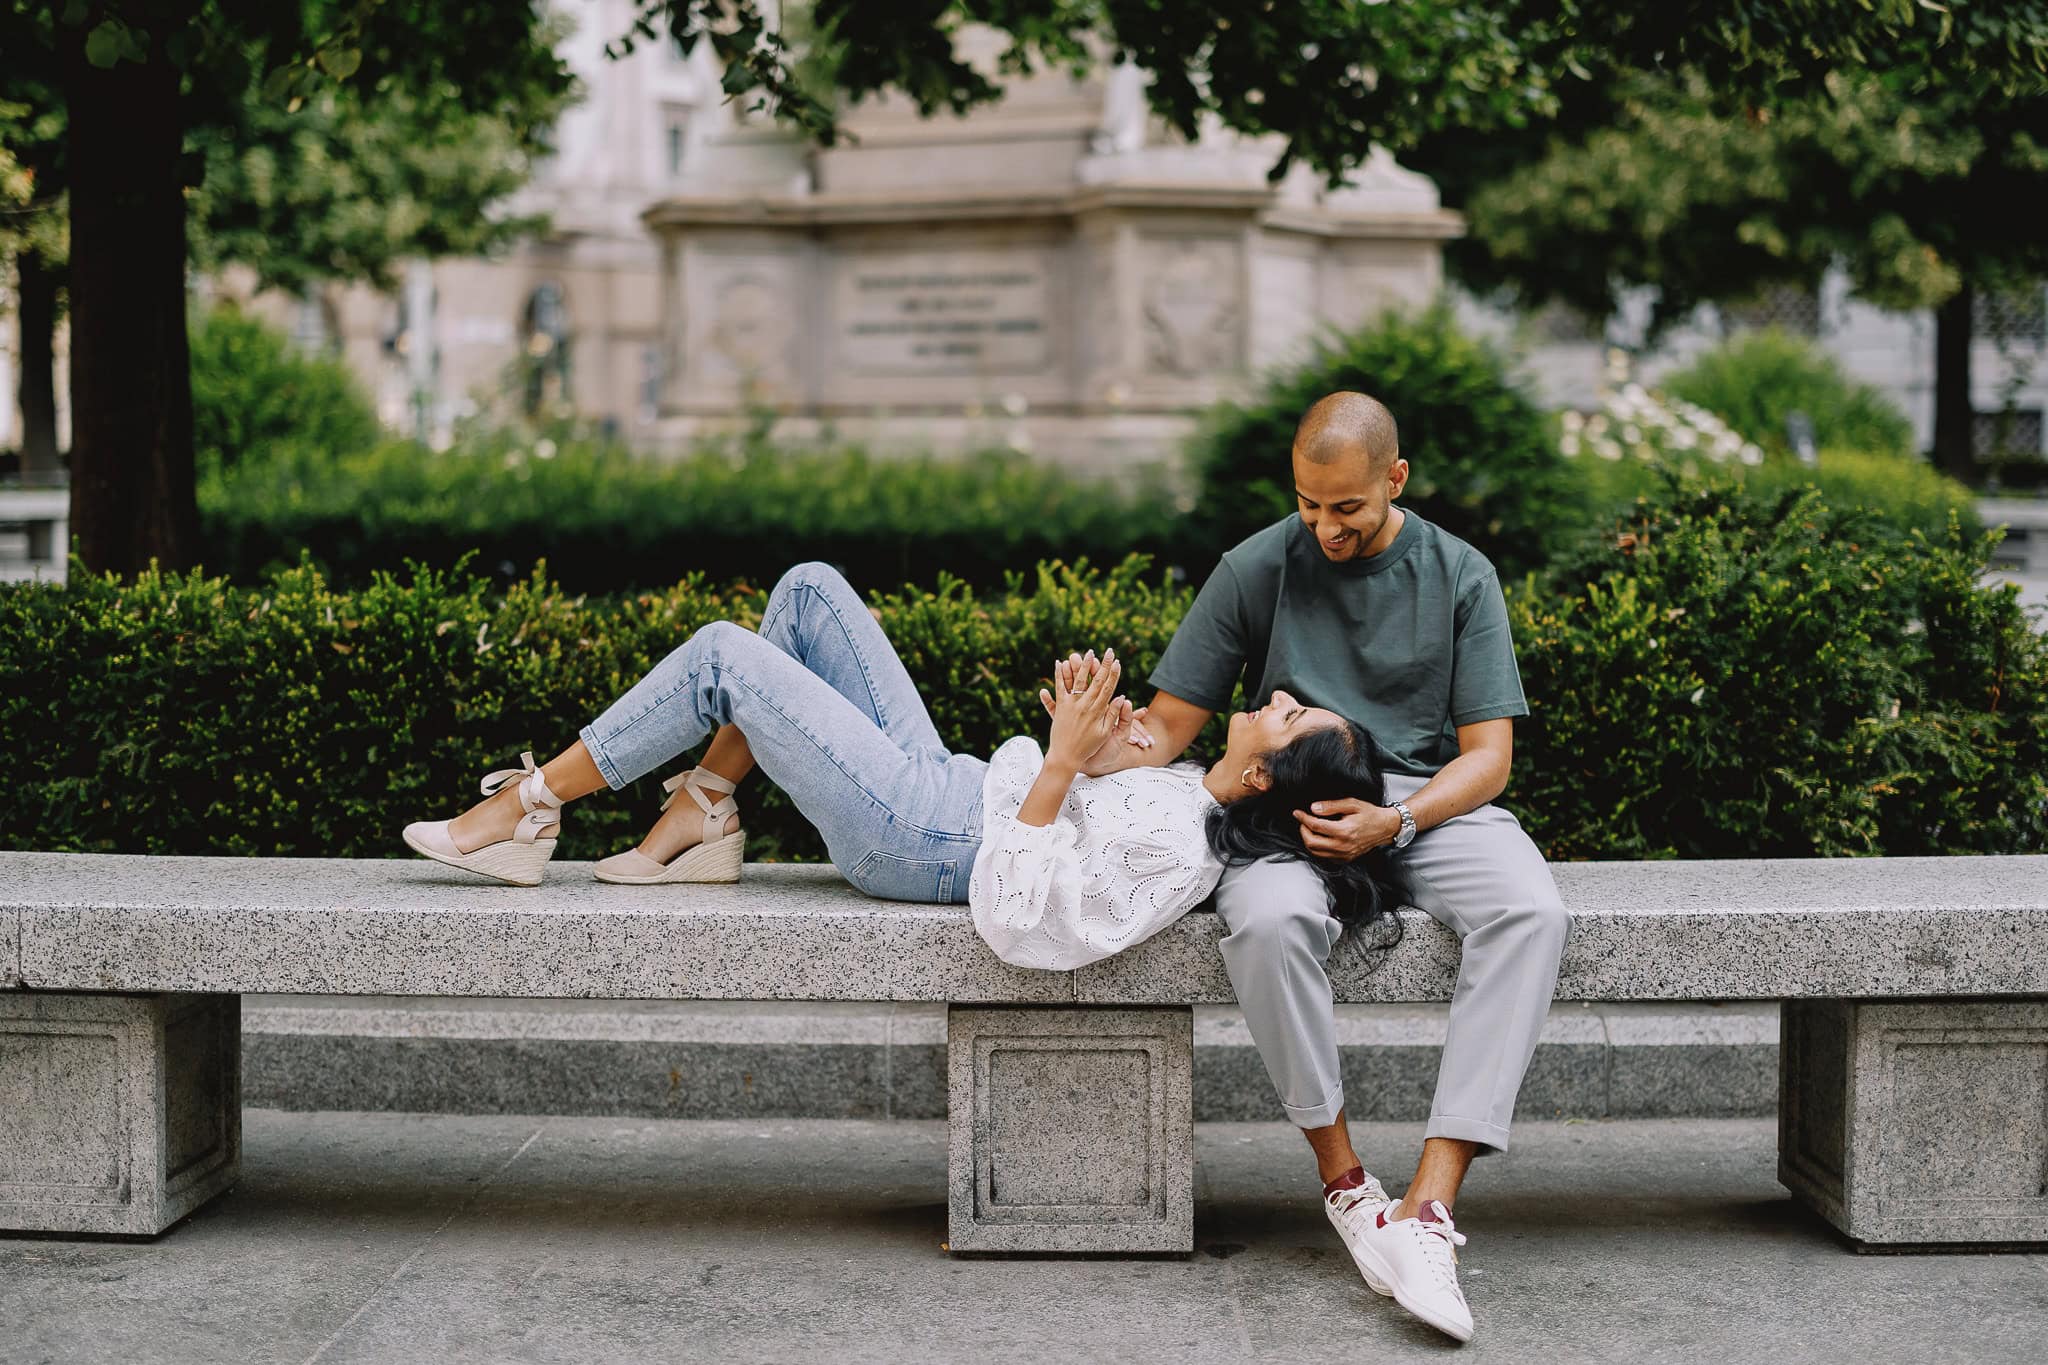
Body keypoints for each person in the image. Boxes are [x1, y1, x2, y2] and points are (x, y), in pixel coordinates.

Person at [1093, 390, 1571, 1344]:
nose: (1324, 526)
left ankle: (1429, 1208)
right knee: (1267, 923)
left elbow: (1489, 757)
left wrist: (1394, 820)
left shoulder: (1460, 574)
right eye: (1309, 505)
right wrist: (1087, 745)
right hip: (1286, 810)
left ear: (1394, 480)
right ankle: (1348, 1185)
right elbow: (1169, 728)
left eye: (1346, 507)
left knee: (1531, 909)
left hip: (1419, 802)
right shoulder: (1256, 565)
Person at [401, 562, 1399, 972]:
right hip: (948, 788)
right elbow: (1067, 816)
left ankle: (526, 812)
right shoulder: (1191, 795)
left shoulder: (1183, 851)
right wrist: (1089, 752)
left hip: (922, 840)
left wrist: (1058, 770)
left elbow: (1020, 924)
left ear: (1270, 777)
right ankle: (698, 816)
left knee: (721, 653)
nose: (1272, 697)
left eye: (1288, 715)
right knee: (807, 594)